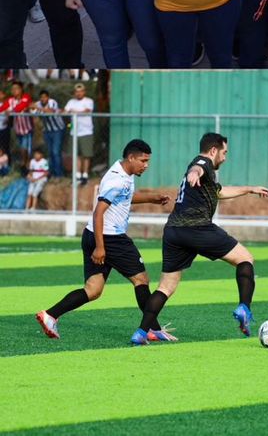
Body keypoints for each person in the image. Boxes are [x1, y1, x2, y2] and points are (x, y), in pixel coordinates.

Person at [134, 132, 268, 346]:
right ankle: (244, 307)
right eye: (224, 152)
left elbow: (219, 192)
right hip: (196, 228)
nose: (225, 157)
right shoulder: (203, 163)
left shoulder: (208, 174)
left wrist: (249, 189)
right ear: (213, 150)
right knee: (245, 259)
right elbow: (196, 167)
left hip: (173, 231)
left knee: (166, 287)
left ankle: (141, 333)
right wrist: (194, 172)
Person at [36, 140, 173, 341]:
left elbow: (124, 196)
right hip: (110, 238)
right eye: (143, 161)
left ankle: (50, 315)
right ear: (131, 157)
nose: (146, 165)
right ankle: (152, 328)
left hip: (93, 235)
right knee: (141, 280)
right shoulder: (117, 179)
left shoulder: (123, 172)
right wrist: (101, 247)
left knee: (93, 290)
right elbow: (99, 212)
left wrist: (151, 198)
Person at [34, 89, 64, 178]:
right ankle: (51, 173)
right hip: (47, 131)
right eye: (41, 97)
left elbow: (50, 111)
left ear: (48, 97)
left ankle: (59, 174)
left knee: (56, 152)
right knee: (50, 152)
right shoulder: (38, 104)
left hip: (57, 130)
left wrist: (37, 108)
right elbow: (33, 112)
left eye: (45, 97)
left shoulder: (52, 102)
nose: (43, 99)